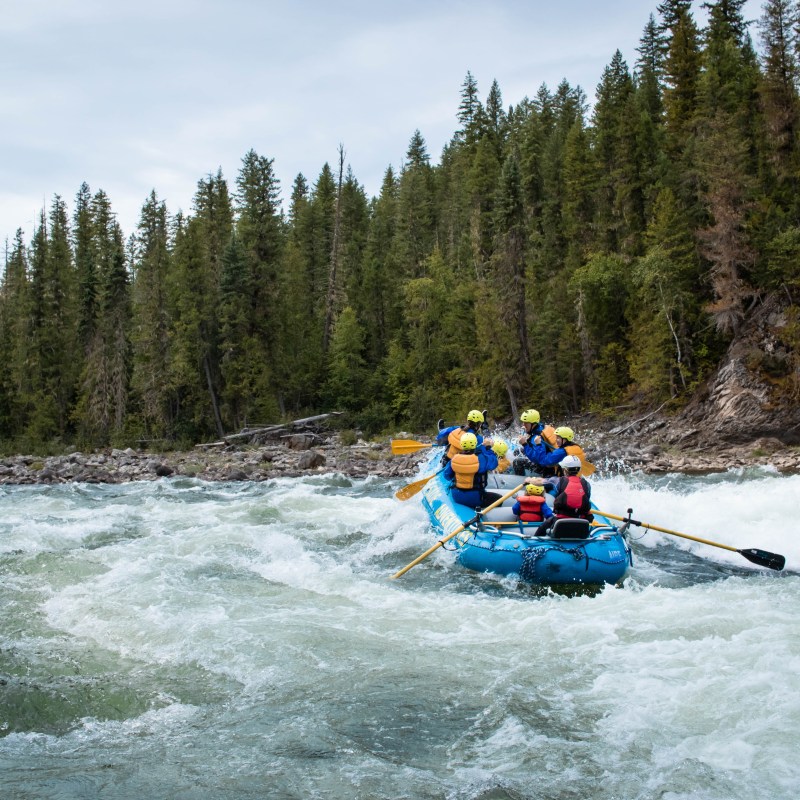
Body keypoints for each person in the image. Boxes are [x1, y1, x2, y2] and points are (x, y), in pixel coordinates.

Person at [535, 454, 593, 537]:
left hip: (560, 520)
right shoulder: (587, 484)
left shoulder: (558, 480)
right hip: (582, 521)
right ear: (579, 469)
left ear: (565, 469)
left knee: (542, 528)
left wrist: (529, 480)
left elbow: (538, 482)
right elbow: (586, 499)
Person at [443, 431, 501, 509]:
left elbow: (447, 476)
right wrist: (487, 448)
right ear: (476, 444)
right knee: (499, 499)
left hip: (457, 496)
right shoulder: (481, 459)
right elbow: (494, 463)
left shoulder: (454, 459)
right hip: (475, 498)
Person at [525, 425, 592, 477]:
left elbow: (543, 461)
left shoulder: (562, 452)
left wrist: (539, 444)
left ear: (565, 439)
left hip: (562, 481)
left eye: (559, 438)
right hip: (575, 478)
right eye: (556, 437)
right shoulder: (576, 447)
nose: (556, 440)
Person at [513, 409, 557, 476]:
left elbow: (537, 458)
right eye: (523, 422)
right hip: (546, 457)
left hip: (546, 467)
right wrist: (527, 430)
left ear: (533, 424)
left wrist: (524, 444)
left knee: (517, 462)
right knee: (517, 451)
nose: (523, 425)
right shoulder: (540, 427)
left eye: (526, 423)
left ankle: (520, 480)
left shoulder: (537, 437)